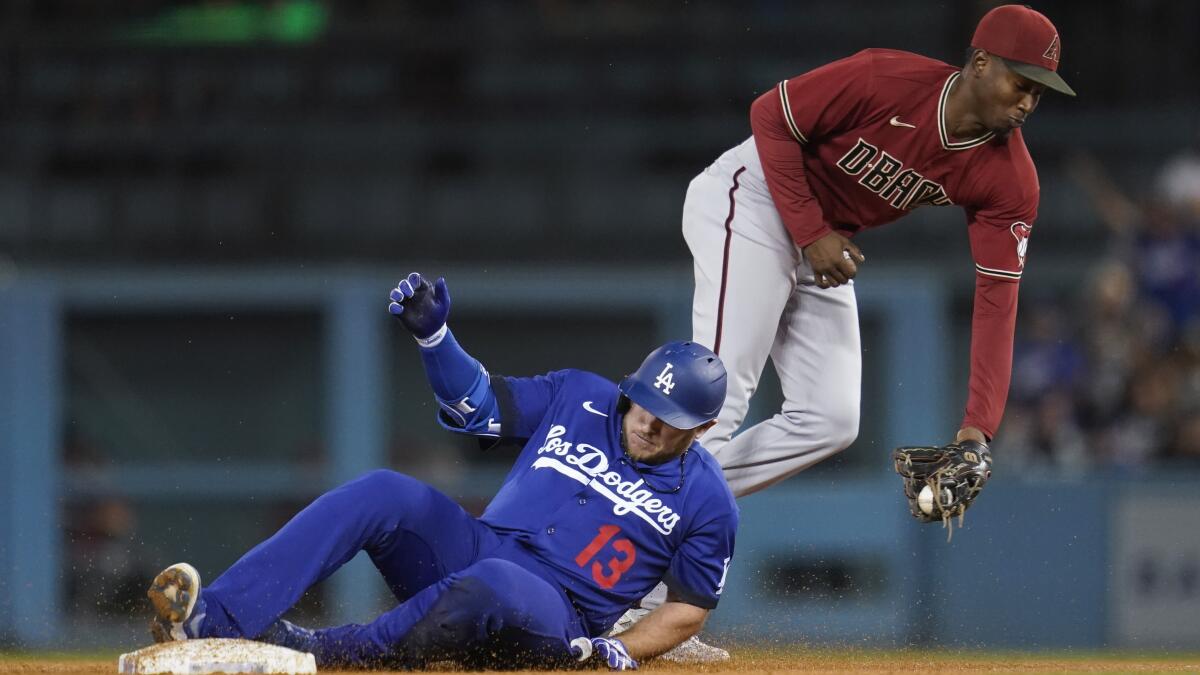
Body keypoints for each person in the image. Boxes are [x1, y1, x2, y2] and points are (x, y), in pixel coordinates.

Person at [634, 4, 1076, 661]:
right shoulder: (885, 79)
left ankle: (629, 510)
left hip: (818, 241)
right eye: (1021, 81)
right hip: (752, 198)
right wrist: (811, 233)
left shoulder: (1010, 178)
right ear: (980, 64)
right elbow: (769, 116)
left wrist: (977, 428)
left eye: (1040, 90)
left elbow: (996, 301)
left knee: (831, 418)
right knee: (717, 401)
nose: (1029, 100)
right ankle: (632, 598)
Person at [145, 272, 737, 671]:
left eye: (670, 421)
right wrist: (435, 338)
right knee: (384, 490)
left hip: (552, 614)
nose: (648, 424)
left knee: (502, 584)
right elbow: (476, 409)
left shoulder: (709, 501)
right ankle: (213, 622)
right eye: (644, 405)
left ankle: (320, 654)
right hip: (476, 552)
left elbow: (688, 609)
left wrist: (618, 650)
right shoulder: (581, 395)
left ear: (702, 430)